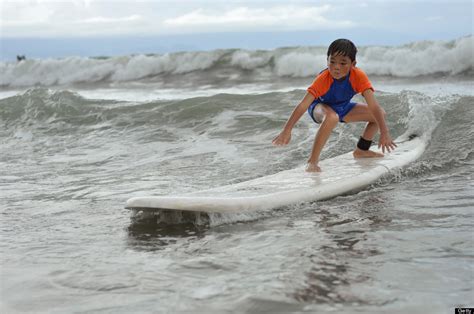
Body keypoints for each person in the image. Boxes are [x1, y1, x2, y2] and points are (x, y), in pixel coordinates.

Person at [272, 38, 397, 172]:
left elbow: (373, 106)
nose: (336, 67)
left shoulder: (358, 76)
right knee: (332, 117)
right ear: (327, 60)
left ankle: (361, 150)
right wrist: (287, 130)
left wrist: (384, 132)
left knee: (379, 115)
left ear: (353, 64)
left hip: (342, 107)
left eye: (343, 63)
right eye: (332, 62)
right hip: (319, 107)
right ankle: (312, 162)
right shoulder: (324, 79)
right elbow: (303, 105)